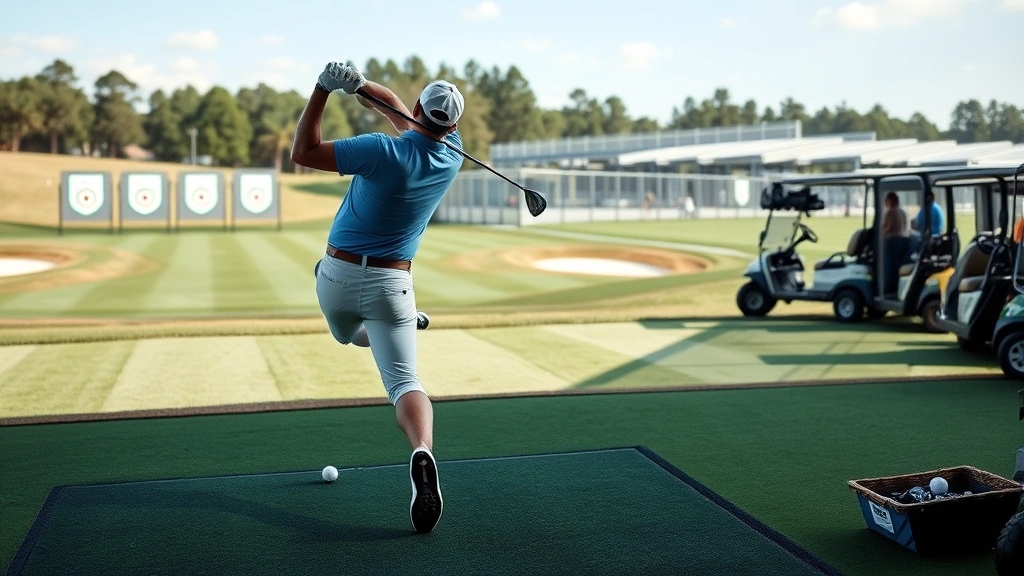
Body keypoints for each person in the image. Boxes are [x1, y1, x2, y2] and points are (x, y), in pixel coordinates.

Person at [290, 62, 465, 534]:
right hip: (394, 286)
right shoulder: (452, 154)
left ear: (418, 108)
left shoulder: (379, 150)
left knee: (347, 334)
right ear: (453, 126)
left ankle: (394, 323)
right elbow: (397, 112)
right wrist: (361, 86)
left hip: (339, 276)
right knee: (405, 381)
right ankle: (422, 449)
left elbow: (303, 152)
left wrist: (324, 89)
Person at [881, 192, 910, 296]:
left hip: (892, 242)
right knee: (899, 266)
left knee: (890, 268)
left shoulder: (890, 213)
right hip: (904, 242)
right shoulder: (903, 212)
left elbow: (886, 229)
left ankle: (889, 289)